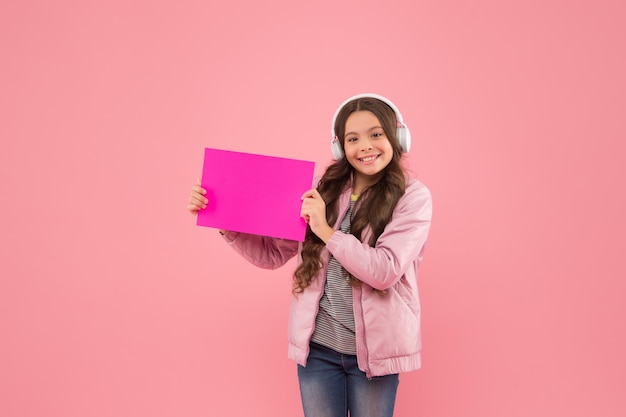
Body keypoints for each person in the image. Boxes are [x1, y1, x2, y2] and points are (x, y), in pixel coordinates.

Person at [187, 93, 432, 417]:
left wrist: (327, 232)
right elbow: (273, 255)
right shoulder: (320, 190)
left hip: (375, 357)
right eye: (353, 138)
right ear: (340, 146)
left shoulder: (413, 197)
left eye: (376, 134)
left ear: (397, 136)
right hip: (318, 351)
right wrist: (222, 219)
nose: (366, 146)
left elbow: (384, 270)